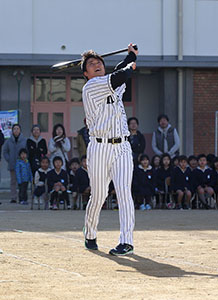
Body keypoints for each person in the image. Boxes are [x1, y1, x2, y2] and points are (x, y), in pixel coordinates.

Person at [81, 43, 137, 256]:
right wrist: (130, 62)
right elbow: (120, 75)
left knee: (124, 192)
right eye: (91, 64)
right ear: (86, 74)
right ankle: (90, 232)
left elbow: (121, 72)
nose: (96, 65)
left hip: (122, 145)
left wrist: (131, 55)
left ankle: (127, 241)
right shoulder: (90, 87)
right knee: (99, 195)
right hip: (99, 147)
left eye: (99, 62)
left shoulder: (111, 81)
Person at [3, 124, 27, 203]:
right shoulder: (9, 141)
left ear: (20, 130)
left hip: (22, 165)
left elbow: (27, 151)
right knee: (13, 182)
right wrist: (9, 159)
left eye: (17, 129)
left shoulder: (24, 140)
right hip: (12, 164)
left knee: (22, 182)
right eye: (14, 129)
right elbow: (5, 151)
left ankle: (22, 197)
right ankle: (13, 197)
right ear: (12, 131)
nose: (16, 130)